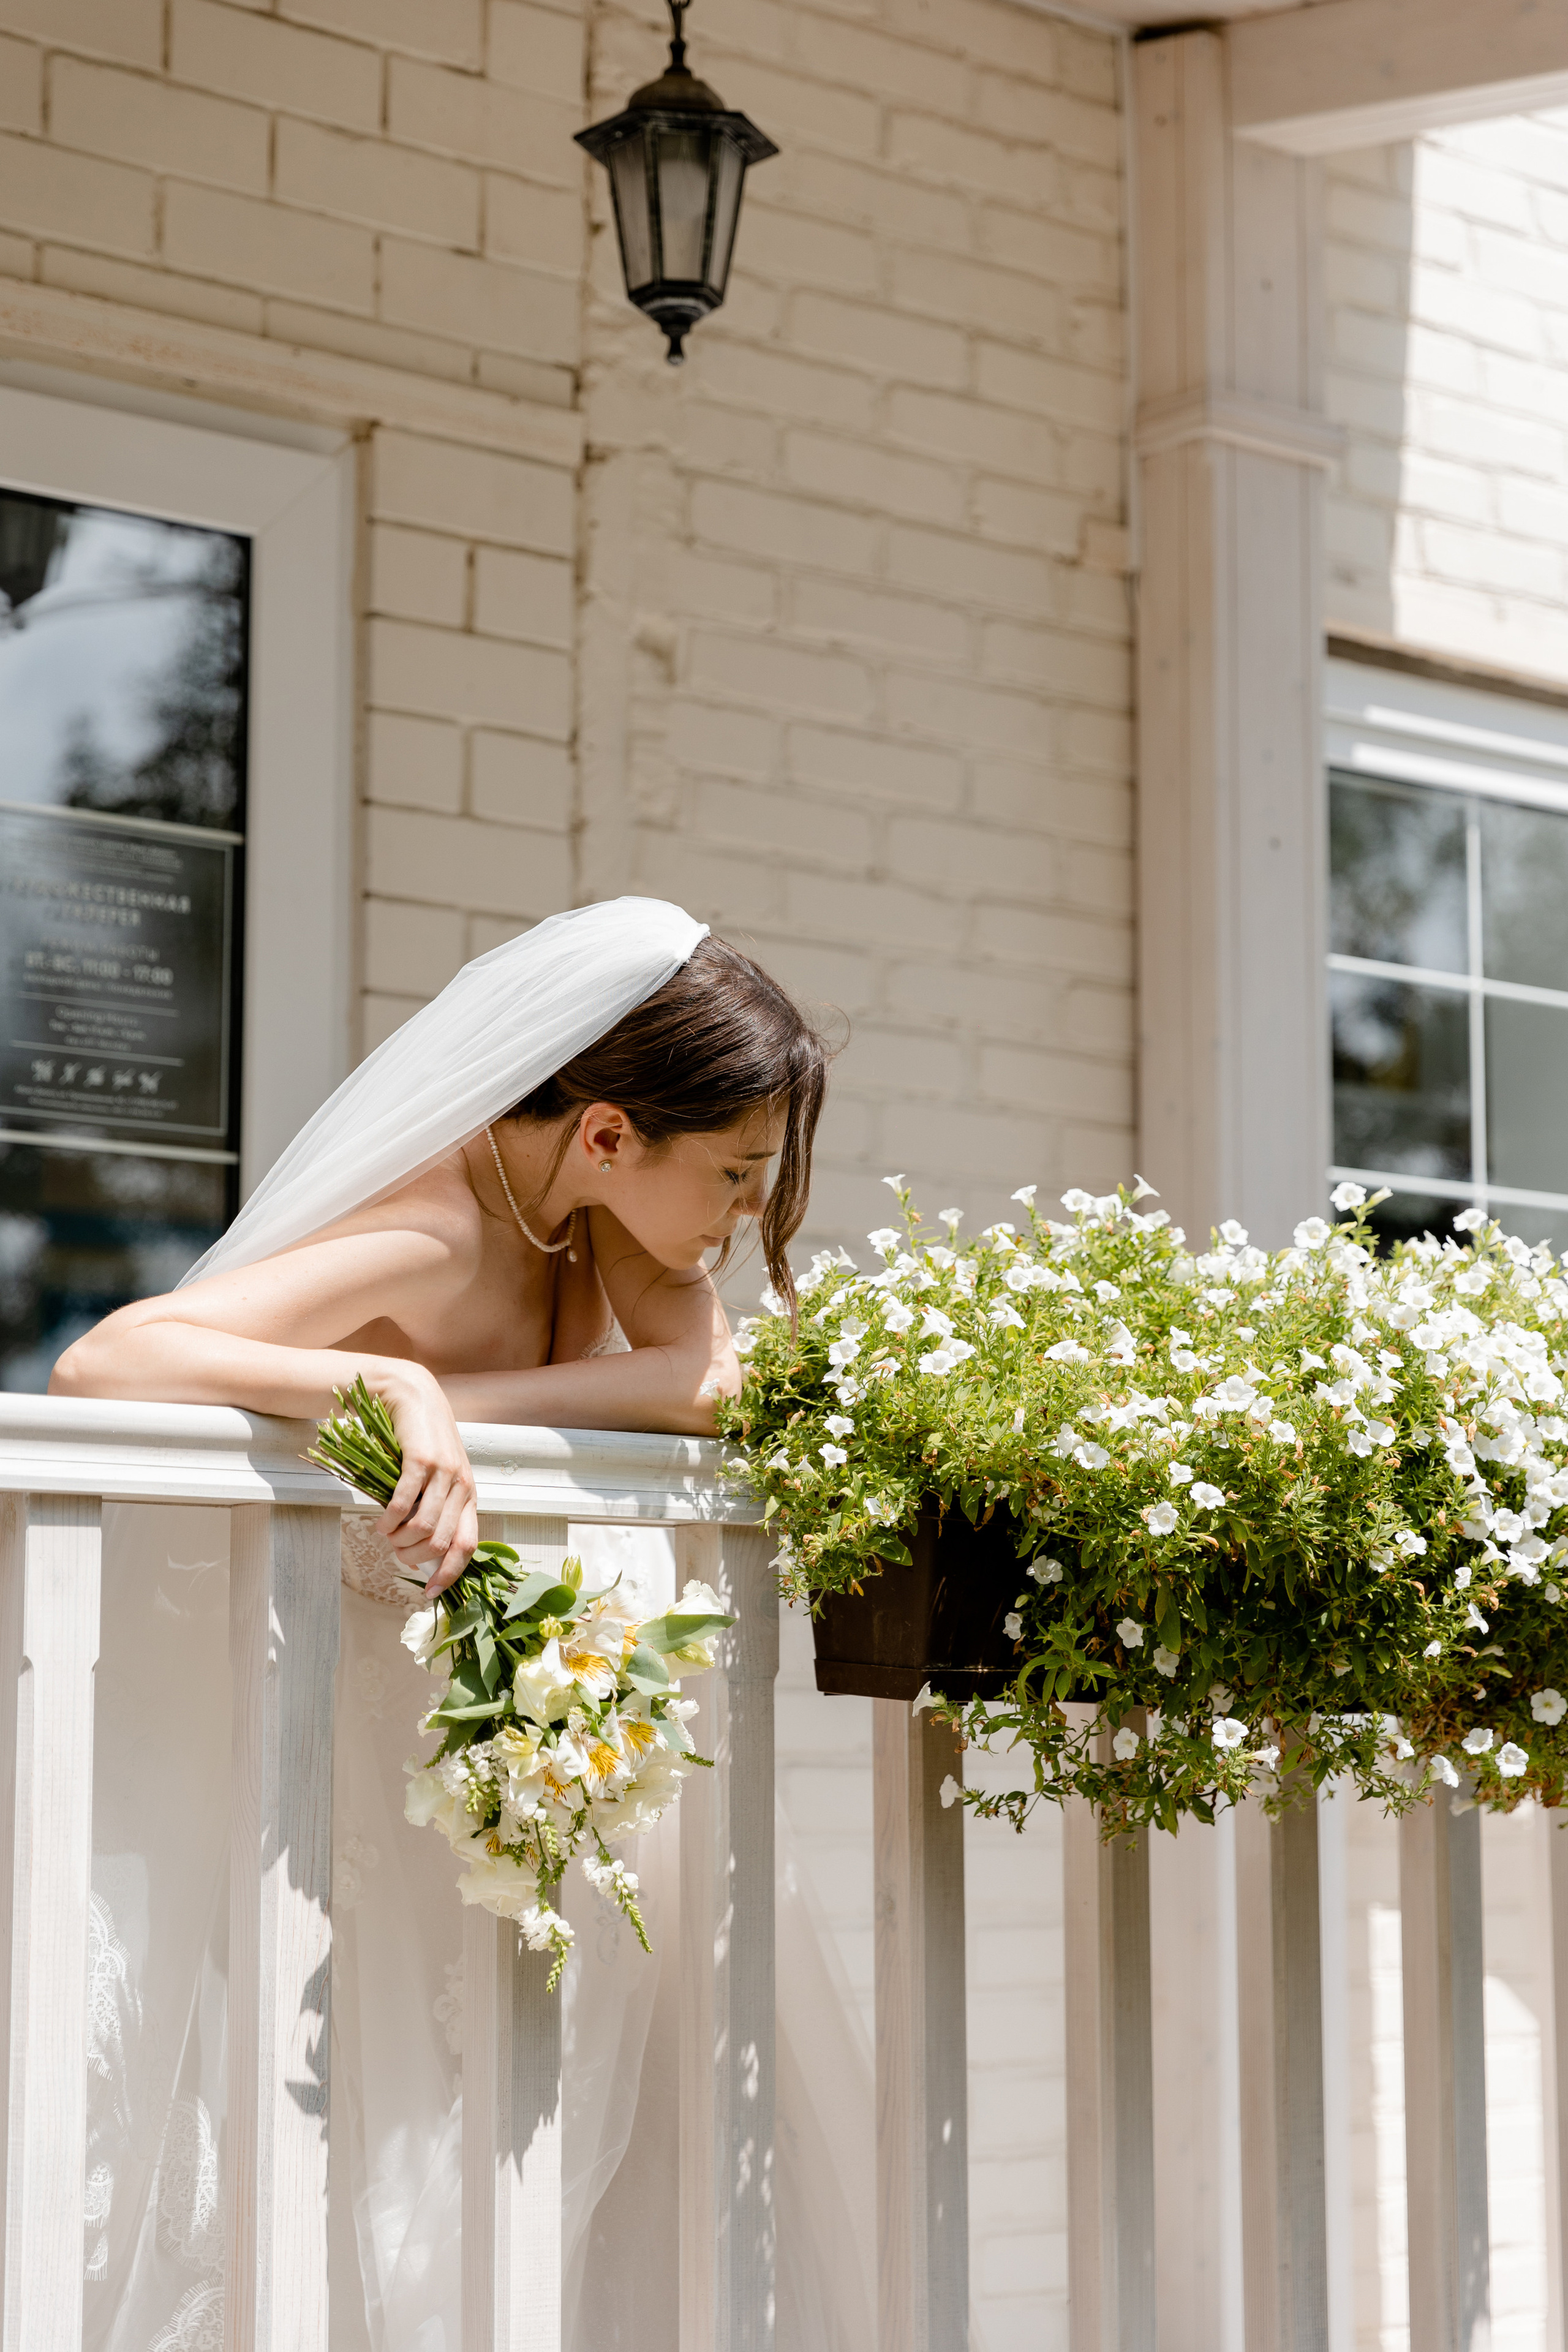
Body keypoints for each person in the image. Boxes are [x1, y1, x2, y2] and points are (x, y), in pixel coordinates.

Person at [53, 900, 870, 2352]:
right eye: (736, 1177)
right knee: (381, 2139)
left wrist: (461, 1413)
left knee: (531, 2127)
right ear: (610, 1133)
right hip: (351, 1763)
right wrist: (375, 1396)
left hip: (485, 1748)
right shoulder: (438, 1224)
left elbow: (700, 1385)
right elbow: (112, 1358)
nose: (746, 1218)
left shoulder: (581, 1216)